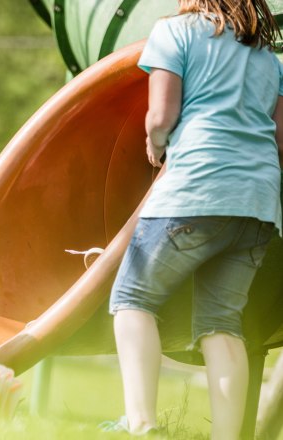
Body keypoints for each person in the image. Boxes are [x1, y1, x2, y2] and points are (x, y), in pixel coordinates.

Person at [105, 1, 283, 437]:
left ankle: (142, 424)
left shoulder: (176, 32)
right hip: (258, 202)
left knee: (132, 300)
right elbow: (279, 140)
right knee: (222, 323)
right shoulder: (267, 57)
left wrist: (156, 144)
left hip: (196, 189)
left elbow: (161, 116)